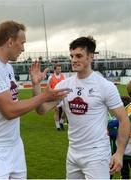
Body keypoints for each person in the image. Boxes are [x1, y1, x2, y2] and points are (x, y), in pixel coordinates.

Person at [0, 20, 67, 179]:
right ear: (10, 41)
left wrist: (36, 86)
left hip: (15, 146)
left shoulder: (7, 67)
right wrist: (45, 95)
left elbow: (36, 109)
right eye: (21, 43)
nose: (23, 48)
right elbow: (10, 111)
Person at [30, 36, 130, 179]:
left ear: (90, 57)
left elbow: (124, 120)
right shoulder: (64, 86)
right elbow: (41, 110)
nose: (74, 60)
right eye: (71, 56)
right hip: (73, 154)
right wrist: (36, 86)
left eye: (79, 56)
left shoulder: (104, 86)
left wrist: (119, 153)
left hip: (97, 154)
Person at [47, 64, 65, 130]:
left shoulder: (63, 76)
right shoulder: (51, 77)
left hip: (62, 95)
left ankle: (61, 122)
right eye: (58, 69)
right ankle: (58, 126)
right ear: (55, 70)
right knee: (57, 111)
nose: (59, 70)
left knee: (65, 110)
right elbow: (48, 87)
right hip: (55, 96)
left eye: (60, 69)